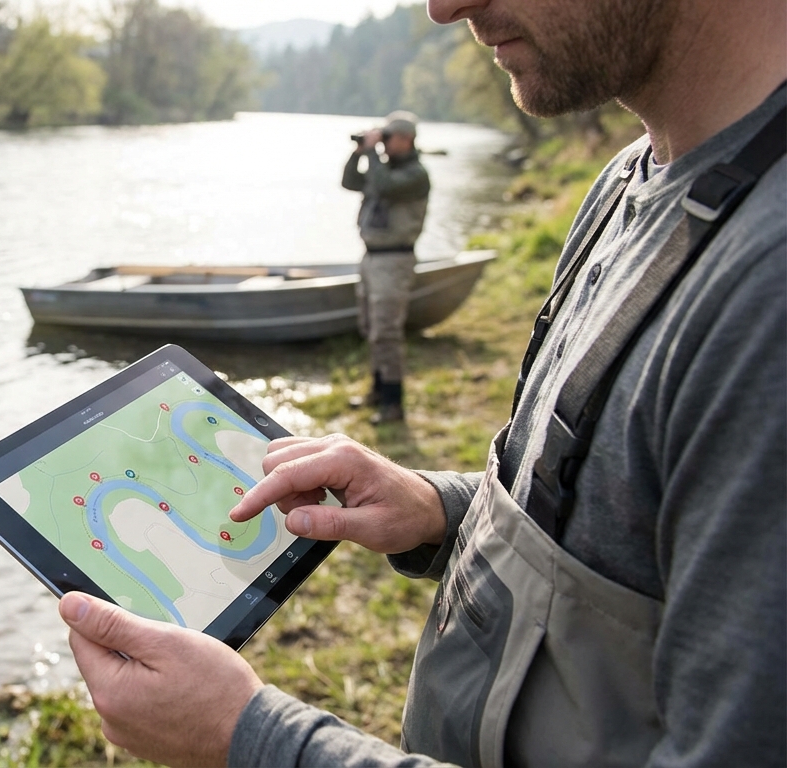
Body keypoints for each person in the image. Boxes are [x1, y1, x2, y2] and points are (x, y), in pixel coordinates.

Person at [58, 0, 787, 765]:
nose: (444, 8)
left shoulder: (765, 290)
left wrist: (250, 741)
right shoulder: (629, 180)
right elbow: (627, 528)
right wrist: (439, 510)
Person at [341, 111, 431, 423]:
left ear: (406, 139)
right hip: (371, 259)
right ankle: (378, 391)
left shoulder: (415, 175)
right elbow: (350, 181)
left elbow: (386, 186)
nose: (383, 144)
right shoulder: (385, 169)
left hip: (394, 260)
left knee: (387, 332)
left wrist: (371, 152)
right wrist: (358, 153)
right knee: (371, 327)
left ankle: (394, 404)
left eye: (388, 138)